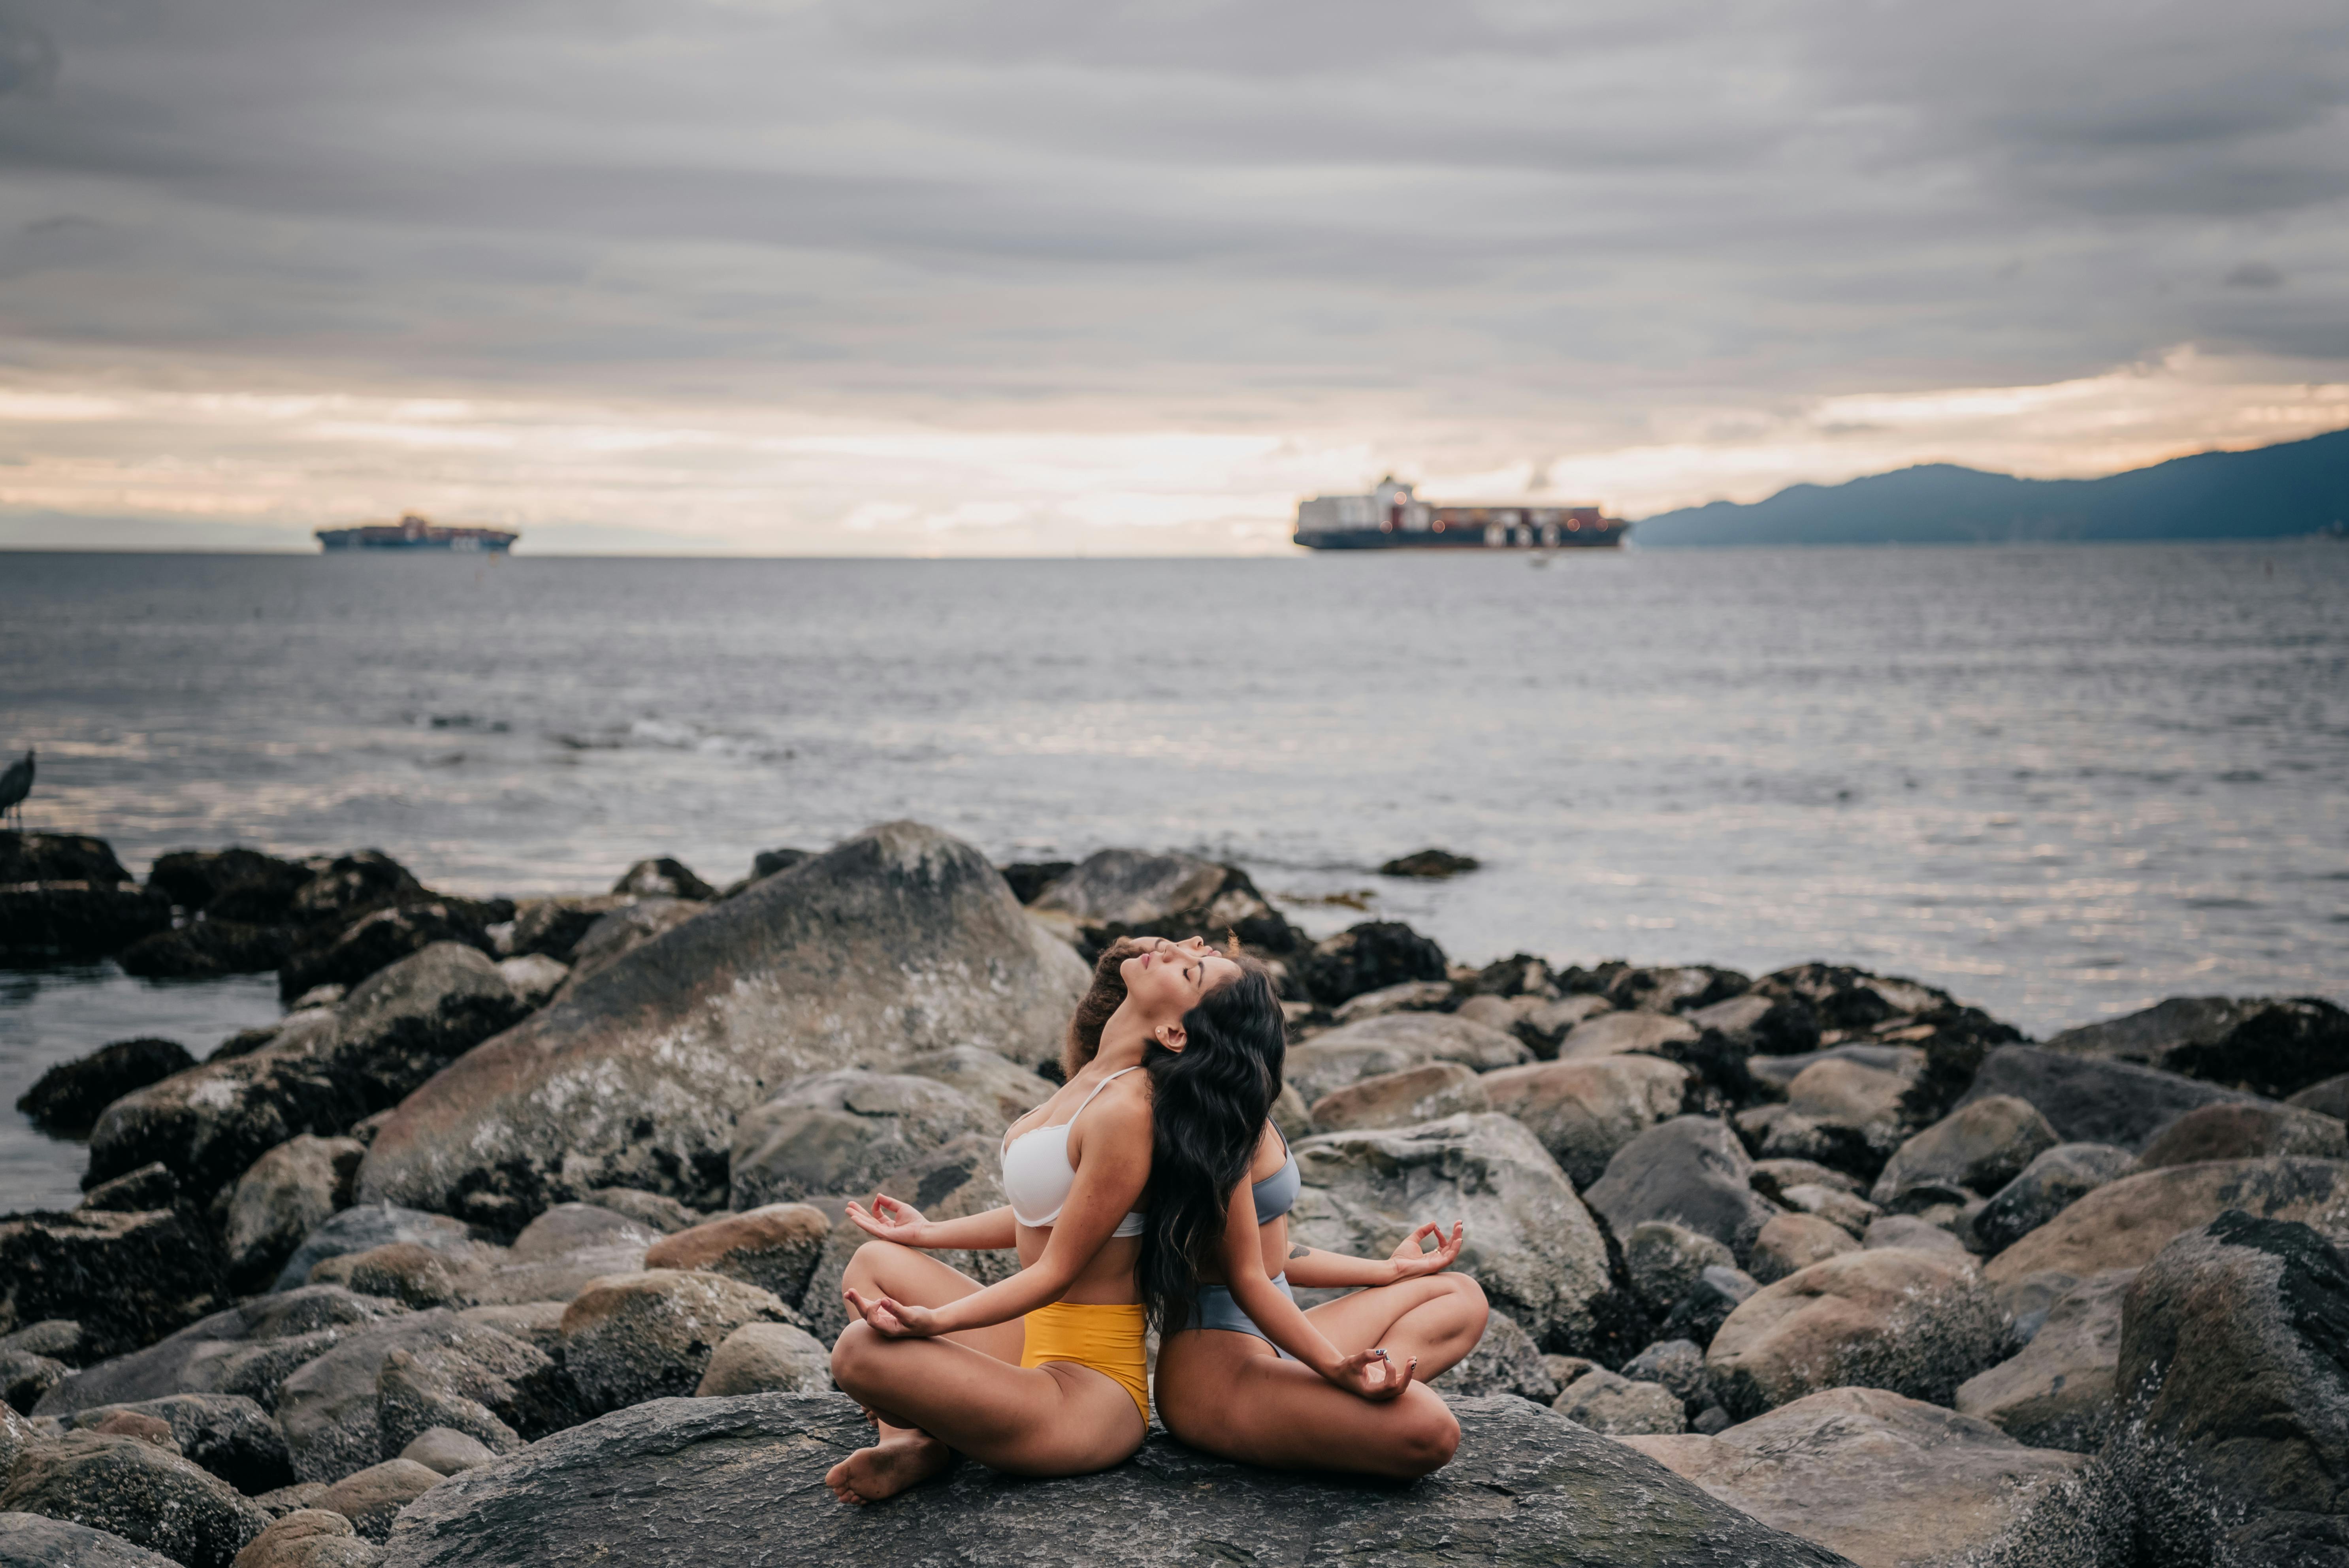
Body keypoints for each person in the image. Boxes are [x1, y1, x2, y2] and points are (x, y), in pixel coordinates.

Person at [823, 933, 1279, 1504]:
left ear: (1173, 1032)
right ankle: (914, 1442)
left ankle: (925, 1432)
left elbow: (1056, 1268)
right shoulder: (1091, 1081)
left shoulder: (1128, 1109)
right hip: (1027, 1339)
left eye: (1191, 971)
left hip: (1086, 1394)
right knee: (873, 1261)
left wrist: (932, 1322)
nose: (1174, 951)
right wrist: (925, 1233)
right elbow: (1045, 1214)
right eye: (1189, 955)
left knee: (859, 1351)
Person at [1141, 956, 1488, 1479]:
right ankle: (1348, 1392)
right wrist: (1332, 1367)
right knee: (1432, 1433)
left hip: (1282, 1334)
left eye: (1195, 967)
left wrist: (1384, 1271)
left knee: (1460, 1295)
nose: (1182, 958)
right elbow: (1247, 1278)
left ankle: (1357, 1386)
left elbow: (1274, 1256)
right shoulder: (1206, 1126)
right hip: (1218, 1373)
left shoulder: (1243, 1109)